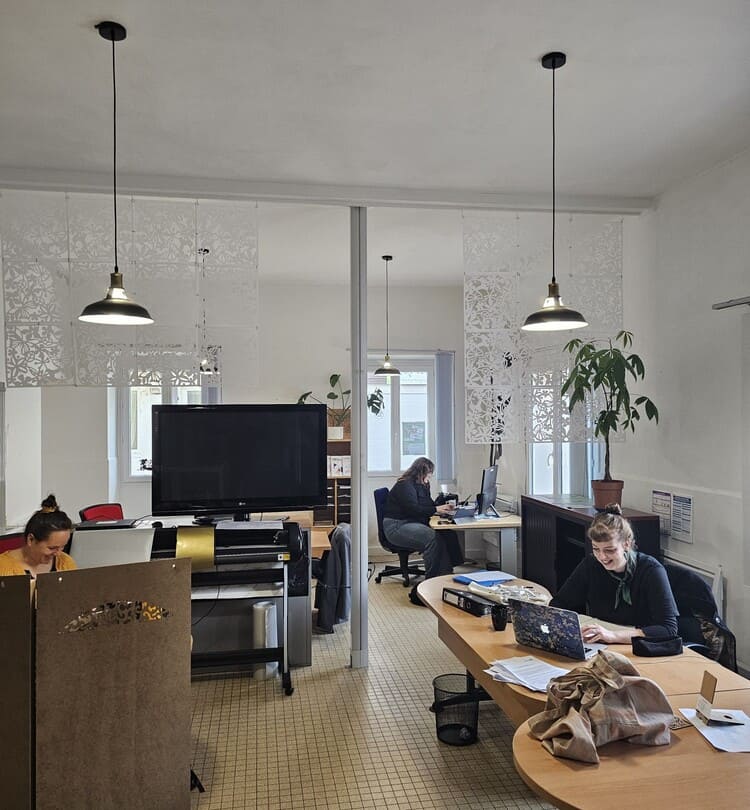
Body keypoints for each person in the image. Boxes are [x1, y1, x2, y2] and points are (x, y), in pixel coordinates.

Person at [550, 503, 677, 644]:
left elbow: (668, 629)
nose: (602, 557)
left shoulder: (651, 570)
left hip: (638, 646)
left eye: (610, 550)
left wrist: (613, 636)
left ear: (627, 544)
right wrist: (572, 629)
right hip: (601, 643)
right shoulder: (591, 565)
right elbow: (559, 604)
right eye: (596, 549)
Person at [382, 457, 459, 606]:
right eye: (428, 475)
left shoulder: (422, 484)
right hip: (396, 526)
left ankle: (445, 577)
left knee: (446, 534)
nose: (429, 478)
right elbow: (414, 509)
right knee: (432, 538)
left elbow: (427, 504)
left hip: (410, 522)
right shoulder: (404, 485)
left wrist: (442, 507)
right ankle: (430, 583)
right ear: (420, 473)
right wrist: (436, 509)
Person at [0, 494, 76, 578]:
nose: (58, 554)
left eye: (62, 547)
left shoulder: (65, 563)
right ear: (31, 539)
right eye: (52, 548)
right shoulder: (3, 569)